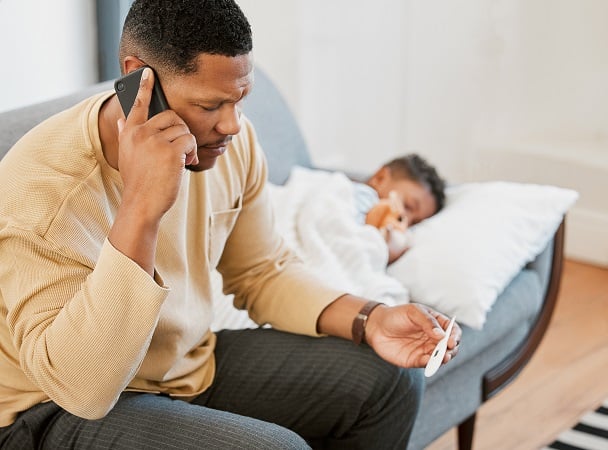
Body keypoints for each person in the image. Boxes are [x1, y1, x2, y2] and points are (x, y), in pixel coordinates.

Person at [0, 1, 461, 448]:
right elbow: (82, 388)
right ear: (137, 77)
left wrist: (372, 318)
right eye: (210, 105)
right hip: (51, 408)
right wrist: (142, 207)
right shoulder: (41, 190)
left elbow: (261, 271)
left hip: (181, 368)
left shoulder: (225, 146)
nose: (234, 125)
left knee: (391, 382)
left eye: (239, 101)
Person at [355, 154, 446, 264]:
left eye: (414, 223)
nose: (405, 221)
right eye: (408, 206)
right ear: (380, 178)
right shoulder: (357, 196)